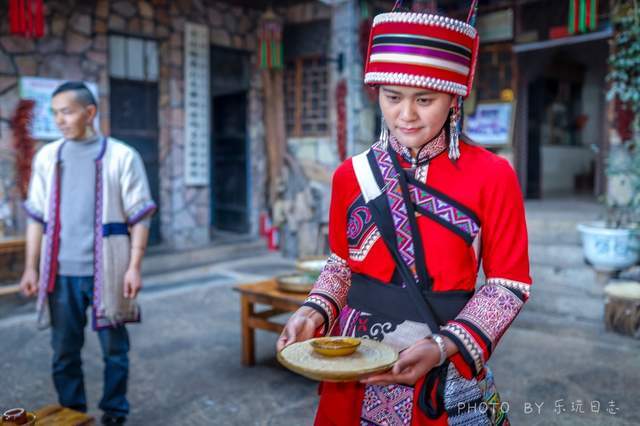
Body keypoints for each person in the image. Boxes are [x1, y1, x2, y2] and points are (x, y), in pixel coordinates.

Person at [277, 2, 531, 425]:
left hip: (440, 355)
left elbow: (507, 285)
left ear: (454, 98)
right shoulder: (350, 175)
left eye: (425, 99)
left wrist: (446, 344)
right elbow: (342, 265)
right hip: (354, 359)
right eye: (392, 97)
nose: (406, 115)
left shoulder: (493, 175)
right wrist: (314, 309)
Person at [19, 81, 156, 425]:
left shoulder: (121, 156)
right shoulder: (48, 158)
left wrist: (134, 266)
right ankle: (72, 414)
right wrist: (30, 268)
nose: (59, 120)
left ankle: (114, 413)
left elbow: (140, 215)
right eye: (55, 113)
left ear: (89, 112)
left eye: (66, 111)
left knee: (115, 350)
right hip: (60, 273)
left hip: (109, 270)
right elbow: (37, 218)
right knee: (64, 352)